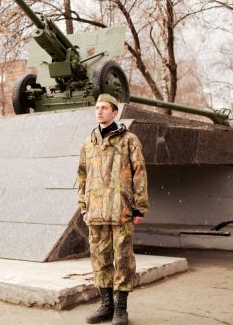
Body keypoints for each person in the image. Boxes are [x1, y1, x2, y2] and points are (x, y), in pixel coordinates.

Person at [77, 94, 150, 325]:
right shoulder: (88, 143)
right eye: (97, 108)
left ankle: (121, 308)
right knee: (100, 258)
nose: (99, 111)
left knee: (124, 259)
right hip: (96, 212)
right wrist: (83, 207)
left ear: (115, 113)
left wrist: (139, 208)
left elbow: (139, 174)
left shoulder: (129, 140)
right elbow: (82, 176)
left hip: (121, 210)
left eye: (105, 108)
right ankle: (106, 305)